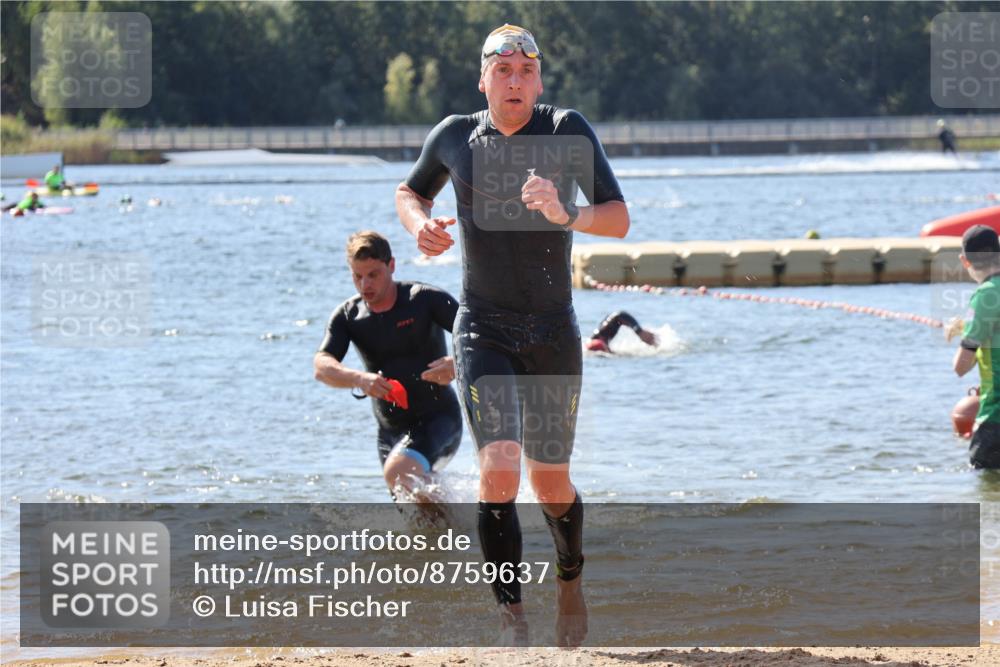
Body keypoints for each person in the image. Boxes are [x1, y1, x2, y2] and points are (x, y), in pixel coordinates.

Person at [395, 23, 630, 646]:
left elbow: (619, 219)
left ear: (540, 81)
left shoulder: (567, 131)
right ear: (484, 80)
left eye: (527, 70)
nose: (515, 81)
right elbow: (409, 191)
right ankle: (512, 616)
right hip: (483, 328)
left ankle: (570, 579)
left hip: (552, 330)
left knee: (549, 483)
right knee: (498, 470)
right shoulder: (455, 135)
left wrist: (566, 211)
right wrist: (419, 226)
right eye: (503, 70)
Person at [313, 231, 464, 503]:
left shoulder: (424, 299)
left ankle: (469, 508)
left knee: (398, 473)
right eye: (357, 276)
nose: (365, 284)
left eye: (373, 274)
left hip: (439, 420)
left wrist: (458, 363)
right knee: (415, 512)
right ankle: (462, 517)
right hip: (389, 431)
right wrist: (359, 379)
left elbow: (479, 336)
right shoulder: (349, 316)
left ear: (391, 266)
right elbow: (322, 366)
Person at [946, 225, 1000, 469]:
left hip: (996, 420)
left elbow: (961, 367)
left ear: (964, 261)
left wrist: (966, 335)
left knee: (985, 486)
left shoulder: (986, 294)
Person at [585, 311, 658, 353]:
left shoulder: (603, 331)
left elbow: (619, 315)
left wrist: (639, 331)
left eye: (605, 350)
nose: (606, 350)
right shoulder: (601, 338)